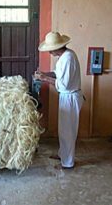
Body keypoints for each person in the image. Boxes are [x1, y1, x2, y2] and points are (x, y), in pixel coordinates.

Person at [34, 31, 84, 169]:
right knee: (64, 130)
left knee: (68, 131)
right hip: (66, 96)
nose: (49, 52)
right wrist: (44, 74)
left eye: (51, 49)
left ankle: (68, 163)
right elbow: (57, 74)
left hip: (70, 97)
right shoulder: (63, 57)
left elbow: (64, 84)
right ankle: (63, 155)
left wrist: (44, 79)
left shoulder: (68, 58)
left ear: (57, 47)